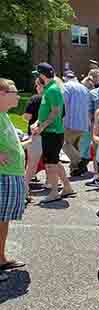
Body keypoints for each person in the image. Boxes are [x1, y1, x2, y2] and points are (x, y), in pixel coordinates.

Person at [31, 63, 75, 203]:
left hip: (53, 132)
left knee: (51, 164)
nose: (38, 77)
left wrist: (41, 127)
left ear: (42, 75)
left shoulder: (53, 90)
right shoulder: (49, 89)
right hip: (50, 131)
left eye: (38, 75)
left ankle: (54, 192)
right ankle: (67, 187)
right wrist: (37, 123)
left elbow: (56, 112)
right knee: (54, 162)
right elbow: (46, 111)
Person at [0, 78, 27, 274]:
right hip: (3, 176)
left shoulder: (4, 115)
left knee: (3, 219)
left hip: (11, 175)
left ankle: (1, 259)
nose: (18, 96)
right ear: (2, 94)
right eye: (14, 92)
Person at [62, 70, 92, 177]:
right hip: (83, 123)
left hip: (70, 123)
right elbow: (88, 107)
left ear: (64, 78)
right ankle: (76, 169)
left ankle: (80, 162)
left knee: (65, 144)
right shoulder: (84, 88)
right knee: (75, 146)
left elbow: (63, 105)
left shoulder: (65, 87)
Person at [23, 78, 44, 191]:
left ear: (40, 86)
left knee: (32, 162)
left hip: (36, 134)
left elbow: (27, 116)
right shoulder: (56, 98)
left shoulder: (35, 98)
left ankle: (24, 186)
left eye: (37, 85)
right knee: (53, 162)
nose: (36, 88)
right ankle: (59, 184)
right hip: (52, 134)